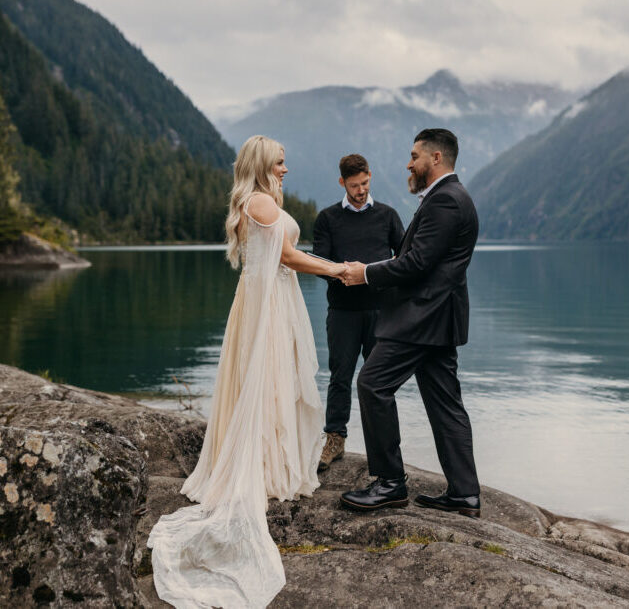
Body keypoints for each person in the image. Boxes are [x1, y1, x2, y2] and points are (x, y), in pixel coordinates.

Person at [147, 135, 346, 608]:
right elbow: (288, 257)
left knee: (269, 382)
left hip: (262, 298)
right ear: (262, 165)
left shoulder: (256, 200)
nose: (286, 168)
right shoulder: (259, 201)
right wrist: (338, 270)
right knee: (267, 381)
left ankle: (267, 460)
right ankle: (262, 466)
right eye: (280, 162)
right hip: (266, 304)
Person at [339, 128, 481, 518]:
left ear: (436, 158)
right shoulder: (450, 197)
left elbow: (417, 263)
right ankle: (464, 494)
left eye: (415, 155)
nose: (408, 163)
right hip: (438, 318)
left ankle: (389, 483)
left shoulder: (446, 201)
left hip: (421, 318)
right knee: (445, 403)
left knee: (372, 384)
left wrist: (365, 273)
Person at [313, 154, 404, 471]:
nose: (361, 190)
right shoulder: (327, 219)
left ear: (370, 177)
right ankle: (335, 440)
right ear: (342, 183)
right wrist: (343, 272)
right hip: (343, 313)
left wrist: (370, 273)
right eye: (354, 186)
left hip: (383, 313)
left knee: (380, 382)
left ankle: (383, 448)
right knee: (340, 377)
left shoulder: (388, 216)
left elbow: (403, 262)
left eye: (365, 183)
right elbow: (319, 264)